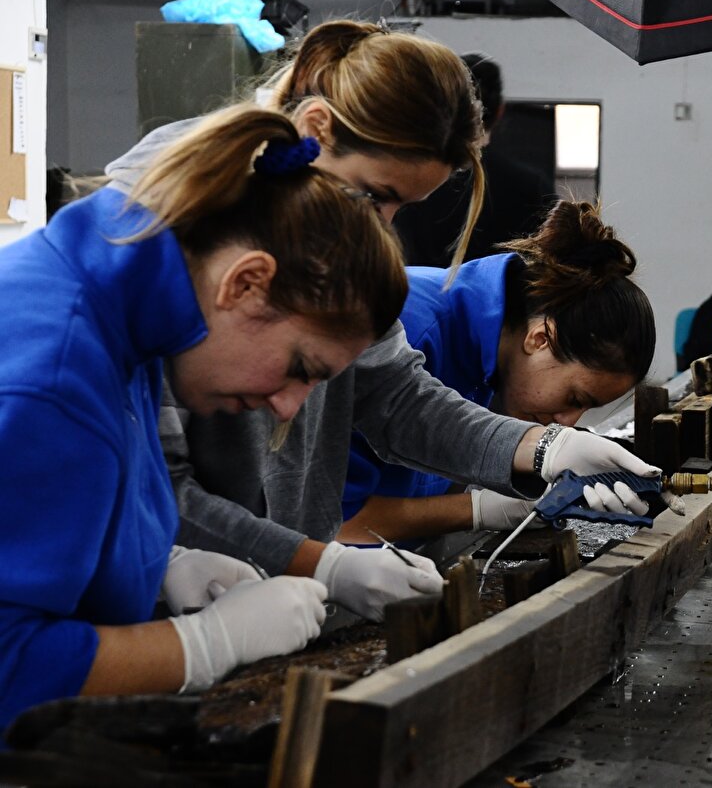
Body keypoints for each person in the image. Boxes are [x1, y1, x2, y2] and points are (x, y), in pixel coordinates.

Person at [104, 20, 656, 624]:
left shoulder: (331, 242)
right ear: (316, 130)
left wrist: (541, 447)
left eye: (400, 208)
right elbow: (156, 486)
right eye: (375, 195)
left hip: (267, 592)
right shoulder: (151, 246)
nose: (382, 224)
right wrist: (321, 564)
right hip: (170, 605)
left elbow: (394, 397)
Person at [0, 106, 420, 730]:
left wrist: (161, 563)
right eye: (300, 367)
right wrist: (201, 647)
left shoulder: (124, 319)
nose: (287, 406)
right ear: (246, 283)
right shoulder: (53, 376)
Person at [340, 199, 655, 543]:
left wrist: (544, 454)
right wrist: (480, 509)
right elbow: (336, 522)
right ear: (540, 338)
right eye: (574, 398)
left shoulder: (499, 357)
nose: (568, 420)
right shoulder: (409, 330)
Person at [395, 52, 557, 268]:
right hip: (501, 301)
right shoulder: (531, 187)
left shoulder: (408, 180)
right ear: (500, 111)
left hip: (415, 298)